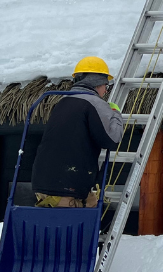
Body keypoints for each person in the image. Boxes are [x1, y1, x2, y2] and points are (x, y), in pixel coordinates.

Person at [31, 56, 123, 208]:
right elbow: (112, 140)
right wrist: (115, 114)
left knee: (90, 204)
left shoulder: (62, 102)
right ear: (96, 82)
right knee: (71, 229)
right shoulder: (95, 103)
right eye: (105, 84)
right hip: (67, 187)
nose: (106, 90)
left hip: (44, 182)